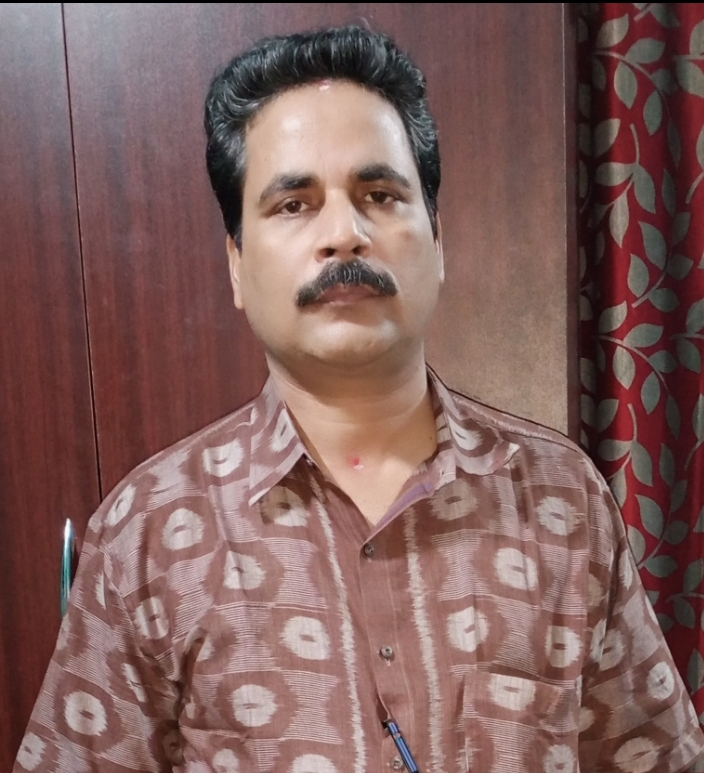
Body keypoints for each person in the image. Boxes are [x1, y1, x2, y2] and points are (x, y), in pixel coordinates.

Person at [13, 24, 704, 773]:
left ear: (437, 240)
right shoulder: (148, 533)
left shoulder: (562, 500)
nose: (344, 234)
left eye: (379, 195)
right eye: (293, 204)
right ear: (237, 264)